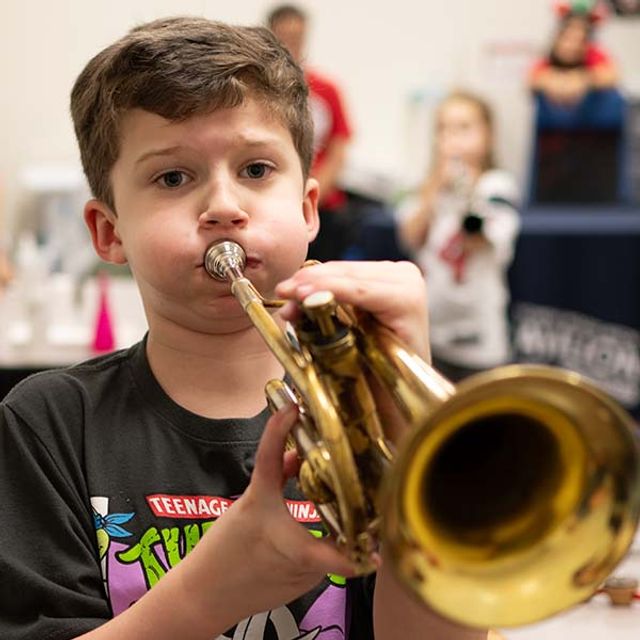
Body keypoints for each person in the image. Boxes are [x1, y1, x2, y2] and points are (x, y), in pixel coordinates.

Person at [0, 17, 486, 640]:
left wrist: (418, 441)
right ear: (109, 232)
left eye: (256, 170)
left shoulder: (364, 410)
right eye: (173, 177)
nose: (225, 206)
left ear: (308, 208)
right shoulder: (48, 425)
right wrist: (203, 598)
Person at [396, 91, 520, 382]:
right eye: (444, 129)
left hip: (481, 338)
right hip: (432, 333)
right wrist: (434, 189)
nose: (453, 138)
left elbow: (479, 236)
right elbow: (410, 236)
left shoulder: (497, 185)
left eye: (464, 128)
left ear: (487, 136)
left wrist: (466, 190)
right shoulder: (426, 189)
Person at [267, 4, 354, 262]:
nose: (291, 43)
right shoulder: (260, 92)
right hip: (275, 204)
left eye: (297, 37)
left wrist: (307, 195)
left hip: (322, 207)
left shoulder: (327, 89)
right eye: (284, 36)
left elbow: (339, 149)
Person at [528, 1, 618, 107]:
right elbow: (531, 79)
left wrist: (582, 80)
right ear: (558, 36)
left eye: (579, 39)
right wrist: (557, 81)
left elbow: (612, 74)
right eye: (568, 38)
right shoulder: (549, 55)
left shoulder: (592, 53)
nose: (572, 45)